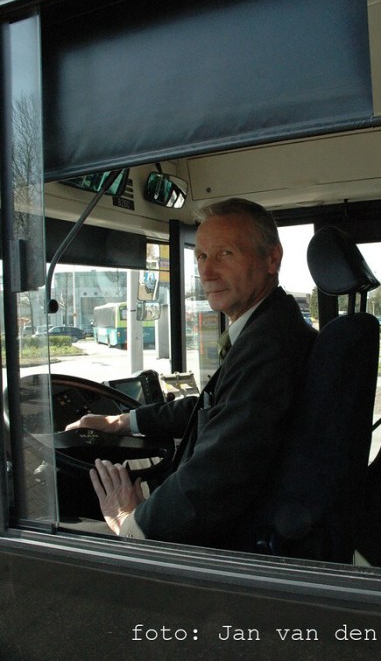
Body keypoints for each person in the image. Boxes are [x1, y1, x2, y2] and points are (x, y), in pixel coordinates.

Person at [66, 198, 317, 549]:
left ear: (271, 258)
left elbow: (220, 474)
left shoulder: (269, 346)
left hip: (238, 541)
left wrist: (132, 523)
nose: (207, 272)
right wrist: (122, 422)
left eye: (225, 254)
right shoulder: (269, 327)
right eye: (200, 256)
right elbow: (213, 406)